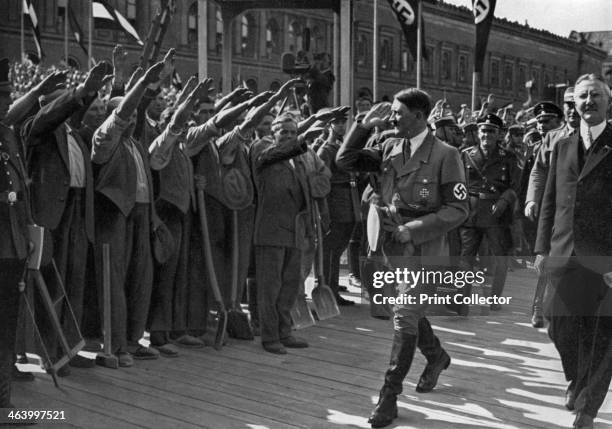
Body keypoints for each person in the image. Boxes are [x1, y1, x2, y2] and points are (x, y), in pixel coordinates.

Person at [336, 88, 468, 428]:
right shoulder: (389, 147)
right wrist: (364, 126)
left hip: (423, 247)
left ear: (419, 117)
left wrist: (417, 229)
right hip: (390, 244)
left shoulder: (446, 154)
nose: (392, 118)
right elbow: (344, 160)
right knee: (404, 310)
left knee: (405, 312)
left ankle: (389, 395)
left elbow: (458, 209)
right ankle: (436, 355)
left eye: (398, 112)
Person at [23, 62, 111, 374]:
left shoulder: (74, 133)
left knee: (74, 280)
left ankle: (69, 346)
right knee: (53, 282)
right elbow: (50, 116)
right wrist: (79, 92)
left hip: (75, 211)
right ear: (48, 104)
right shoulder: (37, 129)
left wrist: (89, 92)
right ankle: (50, 354)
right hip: (52, 216)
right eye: (62, 101)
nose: (69, 107)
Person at [534, 73, 612, 429]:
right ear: (574, 103)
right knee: (558, 324)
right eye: (582, 97)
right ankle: (577, 376)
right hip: (564, 252)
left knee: (602, 335)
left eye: (596, 95)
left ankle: (587, 409)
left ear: (608, 102)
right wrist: (540, 249)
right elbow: (549, 201)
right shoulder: (562, 146)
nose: (588, 102)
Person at [91, 61, 167, 367]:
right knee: (114, 282)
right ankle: (115, 345)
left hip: (141, 215)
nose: (132, 119)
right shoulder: (104, 140)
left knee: (141, 280)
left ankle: (134, 341)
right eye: (127, 115)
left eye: (136, 115)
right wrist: (141, 87)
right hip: (114, 215)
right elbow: (119, 117)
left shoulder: (135, 144)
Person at [525, 88, 580, 328]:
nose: (572, 109)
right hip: (556, 210)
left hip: (585, 213)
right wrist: (532, 199)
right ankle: (539, 306)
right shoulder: (553, 137)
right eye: (568, 104)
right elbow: (539, 171)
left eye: (575, 103)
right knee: (547, 258)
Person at [0, 57, 35, 410]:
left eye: (8, 95)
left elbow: (20, 189)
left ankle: (3, 401)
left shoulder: (9, 135)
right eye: (2, 96)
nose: (7, 102)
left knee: (7, 321)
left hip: (11, 244)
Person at [459, 113, 520, 310]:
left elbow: (515, 186)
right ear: (478, 133)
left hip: (497, 214)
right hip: (472, 212)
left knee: (500, 258)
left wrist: (504, 200)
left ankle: (495, 300)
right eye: (483, 130)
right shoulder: (466, 154)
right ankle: (462, 301)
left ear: (499, 134)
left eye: (491, 131)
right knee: (465, 258)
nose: (487, 135)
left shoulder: (508, 157)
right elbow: (458, 184)